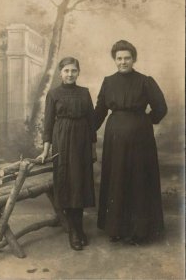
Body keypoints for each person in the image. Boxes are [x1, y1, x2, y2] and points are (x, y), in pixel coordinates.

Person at [94, 40, 167, 244]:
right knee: (117, 178)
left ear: (133, 59)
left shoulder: (145, 81)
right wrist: (87, 129)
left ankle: (140, 231)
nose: (123, 61)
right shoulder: (108, 81)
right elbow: (100, 110)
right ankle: (116, 229)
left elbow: (161, 107)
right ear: (114, 60)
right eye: (119, 58)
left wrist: (145, 121)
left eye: (127, 58)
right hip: (115, 136)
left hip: (140, 138)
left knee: (138, 179)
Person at [37, 57, 97, 251]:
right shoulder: (53, 94)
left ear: (78, 72)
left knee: (79, 183)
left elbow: (91, 122)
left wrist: (93, 147)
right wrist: (46, 149)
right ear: (60, 73)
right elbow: (47, 124)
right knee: (67, 183)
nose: (70, 74)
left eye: (73, 71)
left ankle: (78, 228)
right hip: (62, 140)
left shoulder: (84, 93)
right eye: (66, 71)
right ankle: (74, 231)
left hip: (82, 141)